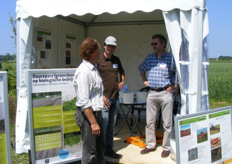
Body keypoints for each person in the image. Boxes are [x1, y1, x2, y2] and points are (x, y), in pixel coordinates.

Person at [138, 34, 176, 158]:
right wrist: (145, 82)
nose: (153, 46)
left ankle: (166, 147)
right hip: (152, 93)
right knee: (149, 122)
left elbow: (180, 75)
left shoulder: (170, 58)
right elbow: (141, 69)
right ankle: (150, 145)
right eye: (152, 44)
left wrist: (176, 86)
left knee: (167, 123)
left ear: (163, 44)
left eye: (155, 43)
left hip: (165, 93)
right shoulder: (150, 58)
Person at [74, 38, 105, 164]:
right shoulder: (84, 72)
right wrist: (93, 123)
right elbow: (84, 101)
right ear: (92, 52)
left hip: (96, 114)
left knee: (100, 147)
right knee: (90, 153)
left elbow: (93, 92)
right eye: (98, 49)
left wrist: (101, 97)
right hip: (88, 116)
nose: (100, 52)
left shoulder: (93, 68)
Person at [97, 36, 125, 159]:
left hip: (115, 97)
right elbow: (92, 79)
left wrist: (121, 82)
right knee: (103, 125)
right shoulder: (98, 59)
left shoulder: (116, 59)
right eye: (108, 45)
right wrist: (100, 95)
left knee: (111, 126)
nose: (110, 48)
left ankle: (109, 149)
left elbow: (122, 73)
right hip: (104, 98)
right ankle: (99, 151)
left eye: (113, 46)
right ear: (104, 45)